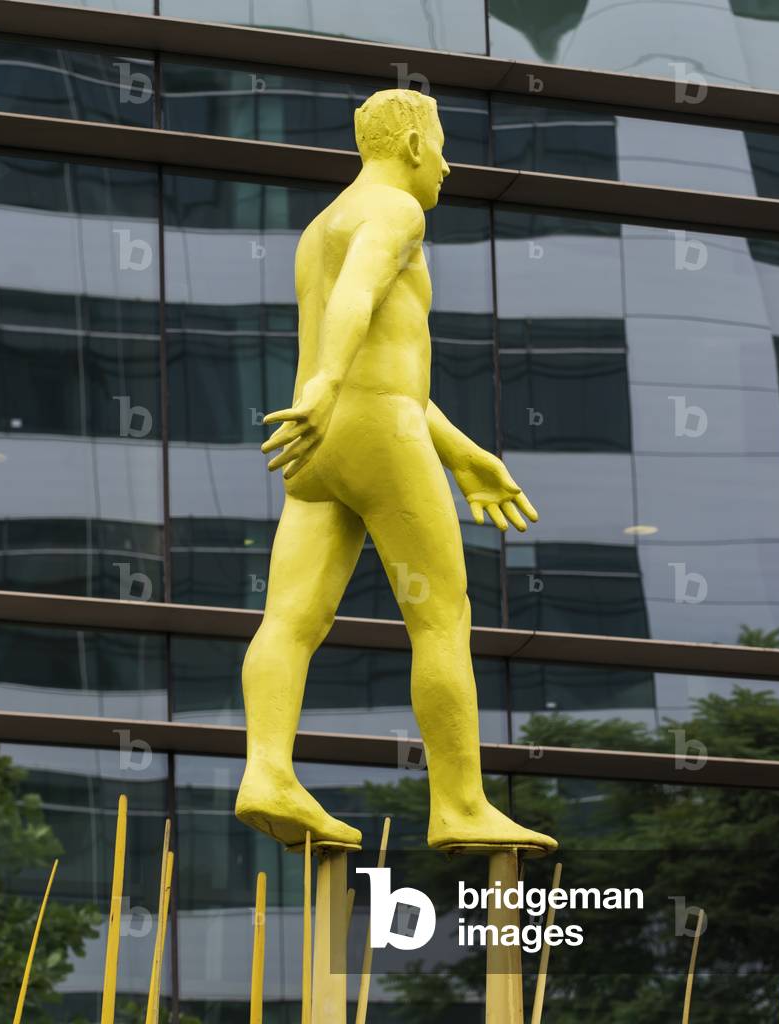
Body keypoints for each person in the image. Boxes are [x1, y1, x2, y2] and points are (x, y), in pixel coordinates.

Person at [235, 88, 556, 855]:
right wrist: (326, 386)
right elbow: (360, 298)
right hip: (370, 427)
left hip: (322, 444)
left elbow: (376, 363)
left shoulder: (321, 227)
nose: (448, 166)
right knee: (441, 619)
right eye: (442, 146)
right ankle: (459, 804)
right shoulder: (395, 213)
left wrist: (461, 452)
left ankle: (267, 770)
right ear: (413, 144)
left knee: (289, 619)